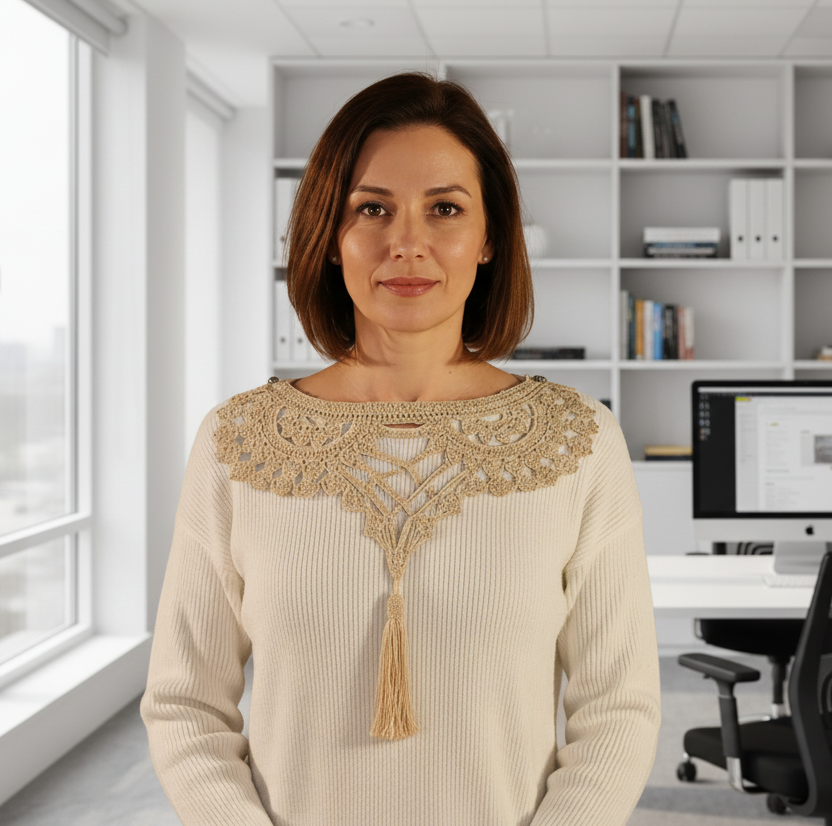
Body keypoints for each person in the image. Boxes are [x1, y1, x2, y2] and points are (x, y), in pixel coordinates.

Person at [140, 71, 661, 826]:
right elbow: (185, 703)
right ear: (330, 236)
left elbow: (620, 704)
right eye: (372, 209)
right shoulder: (237, 442)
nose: (406, 243)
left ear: (488, 239)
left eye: (444, 208)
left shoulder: (578, 441)